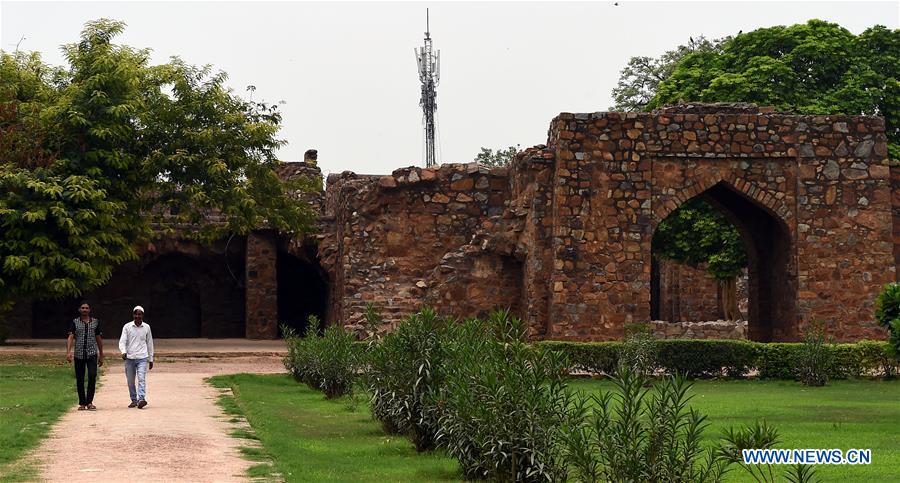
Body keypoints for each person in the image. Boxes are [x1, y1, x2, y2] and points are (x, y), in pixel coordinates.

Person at [66, 301, 104, 411]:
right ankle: (82, 403)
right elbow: (71, 337)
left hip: (92, 353)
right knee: (80, 379)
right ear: (79, 309)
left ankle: (90, 402)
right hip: (79, 354)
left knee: (92, 376)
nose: (84, 310)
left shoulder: (95, 322)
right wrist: (68, 352)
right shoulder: (75, 322)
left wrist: (101, 354)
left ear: (89, 310)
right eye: (83, 308)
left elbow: (98, 338)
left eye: (86, 308)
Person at [119, 306, 154, 409]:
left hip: (142, 357)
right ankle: (134, 399)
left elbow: (149, 343)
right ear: (133, 315)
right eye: (136, 314)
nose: (138, 316)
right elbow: (122, 341)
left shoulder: (147, 327)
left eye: (140, 314)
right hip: (129, 357)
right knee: (130, 381)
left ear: (142, 315)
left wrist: (151, 359)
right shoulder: (127, 327)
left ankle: (141, 399)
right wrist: (123, 352)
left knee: (141, 379)